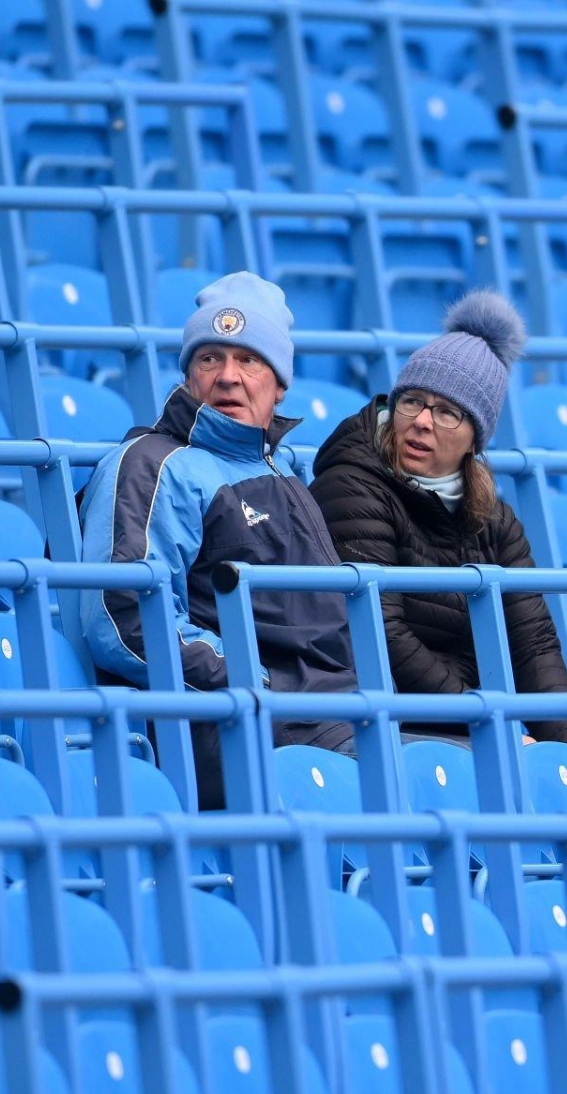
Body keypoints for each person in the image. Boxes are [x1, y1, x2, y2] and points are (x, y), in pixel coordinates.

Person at [79, 271, 356, 808]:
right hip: (231, 723)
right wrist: (261, 682)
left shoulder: (281, 472)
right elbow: (123, 620)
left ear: (280, 385)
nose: (228, 378)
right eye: (210, 359)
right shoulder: (153, 465)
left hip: (324, 712)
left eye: (249, 360)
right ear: (187, 377)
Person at [309, 290, 567, 748]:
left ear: (475, 439)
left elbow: (532, 643)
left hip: (460, 718)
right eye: (412, 401)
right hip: (381, 715)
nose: (422, 422)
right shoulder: (351, 486)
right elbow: (381, 634)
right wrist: (486, 721)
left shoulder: (492, 516)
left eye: (447, 412)